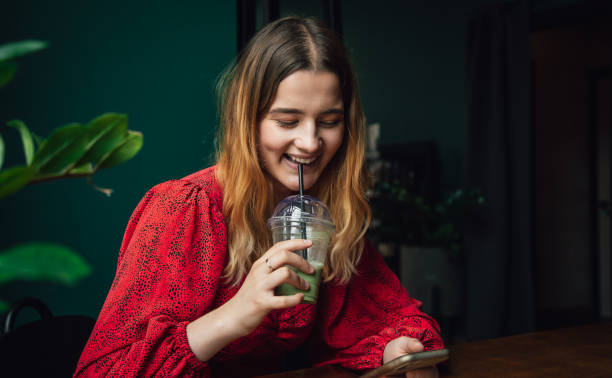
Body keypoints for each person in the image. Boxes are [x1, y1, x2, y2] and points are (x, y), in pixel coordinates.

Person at [74, 17, 444, 377]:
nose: (310, 142)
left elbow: (387, 321)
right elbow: (104, 371)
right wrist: (235, 313)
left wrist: (397, 351)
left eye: (329, 121)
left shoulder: (324, 213)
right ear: (247, 120)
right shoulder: (185, 208)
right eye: (287, 121)